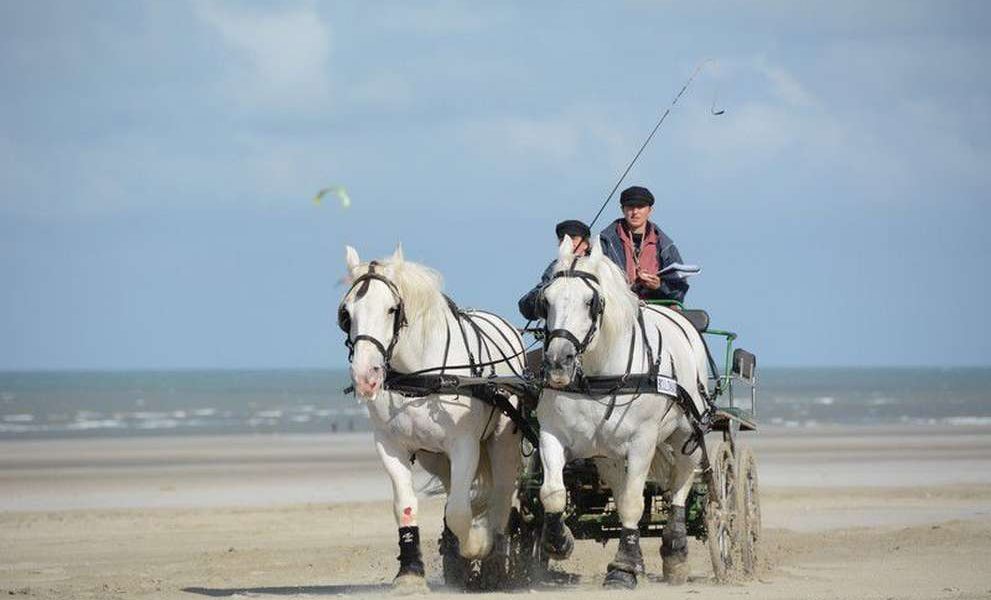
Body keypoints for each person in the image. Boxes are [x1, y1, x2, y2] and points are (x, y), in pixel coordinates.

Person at [599, 185, 689, 303]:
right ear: (623, 209)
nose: (635, 212)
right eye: (630, 207)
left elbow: (680, 291)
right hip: (617, 308)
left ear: (650, 210)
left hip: (658, 309)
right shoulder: (604, 242)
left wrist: (659, 286)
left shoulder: (666, 246)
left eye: (640, 207)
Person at [518, 219, 590, 321]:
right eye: (562, 239)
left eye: (573, 238)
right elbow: (525, 307)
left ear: (586, 244)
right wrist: (541, 296)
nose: (567, 242)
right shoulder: (555, 267)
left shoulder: (597, 265)